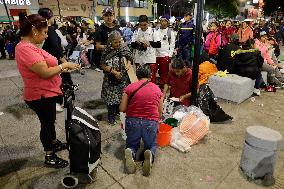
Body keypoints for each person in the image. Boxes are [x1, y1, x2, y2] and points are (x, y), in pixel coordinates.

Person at [15, 14, 80, 168]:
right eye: (44, 32)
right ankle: (49, 155)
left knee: (49, 122)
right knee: (47, 124)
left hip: (47, 92)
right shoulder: (25, 48)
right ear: (34, 30)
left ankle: (54, 143)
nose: (45, 36)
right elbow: (44, 72)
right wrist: (64, 66)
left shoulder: (30, 47)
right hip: (40, 94)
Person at [119, 65, 164, 176]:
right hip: (150, 122)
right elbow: (160, 111)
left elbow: (122, 109)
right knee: (151, 144)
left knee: (132, 143)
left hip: (132, 121)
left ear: (137, 76)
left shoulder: (129, 87)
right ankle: (149, 154)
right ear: (150, 76)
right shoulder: (157, 89)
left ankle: (131, 151)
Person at [38, 8, 73, 111]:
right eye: (52, 16)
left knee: (50, 81)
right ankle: (60, 102)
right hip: (55, 61)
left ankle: (54, 101)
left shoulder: (38, 30)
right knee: (63, 81)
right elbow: (56, 48)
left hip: (44, 60)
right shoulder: (50, 30)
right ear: (48, 18)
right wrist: (65, 63)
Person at [100, 31, 132, 125]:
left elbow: (129, 56)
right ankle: (111, 116)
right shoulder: (107, 50)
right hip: (110, 78)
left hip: (123, 78)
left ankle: (120, 113)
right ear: (110, 42)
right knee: (111, 99)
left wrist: (129, 64)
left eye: (119, 42)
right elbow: (102, 64)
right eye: (115, 42)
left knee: (122, 97)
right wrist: (113, 72)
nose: (118, 44)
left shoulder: (123, 48)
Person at [131, 15, 161, 83]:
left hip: (150, 59)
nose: (142, 27)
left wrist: (149, 43)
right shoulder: (136, 31)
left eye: (144, 25)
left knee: (151, 79)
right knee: (140, 80)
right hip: (139, 59)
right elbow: (132, 45)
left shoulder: (153, 31)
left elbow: (159, 44)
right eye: (141, 25)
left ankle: (151, 93)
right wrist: (138, 44)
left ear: (148, 23)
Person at [156, 15, 176, 88]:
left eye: (165, 21)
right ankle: (154, 85)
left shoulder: (170, 32)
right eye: (162, 21)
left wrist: (170, 55)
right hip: (155, 55)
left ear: (167, 22)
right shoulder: (156, 30)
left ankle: (163, 85)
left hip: (165, 55)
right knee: (155, 71)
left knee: (164, 72)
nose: (163, 23)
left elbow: (172, 44)